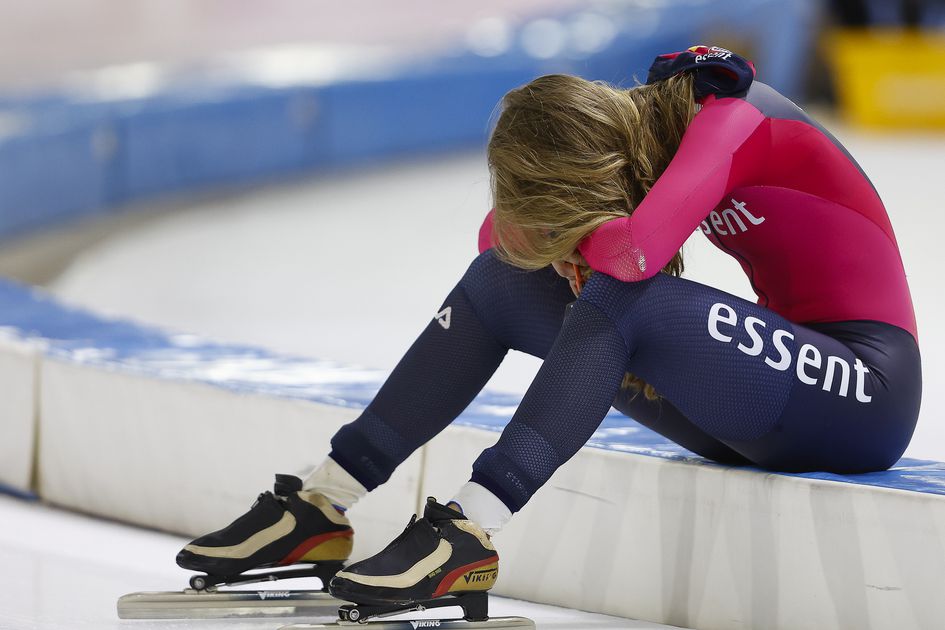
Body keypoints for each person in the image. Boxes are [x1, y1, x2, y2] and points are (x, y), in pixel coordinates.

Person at [176, 46, 922, 611]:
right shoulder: (618, 135)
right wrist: (559, 239)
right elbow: (493, 242)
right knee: (501, 282)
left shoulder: (732, 119)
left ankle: (467, 532)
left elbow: (633, 252)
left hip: (864, 393)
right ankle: (323, 502)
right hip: (754, 406)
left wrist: (574, 242)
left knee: (628, 294)